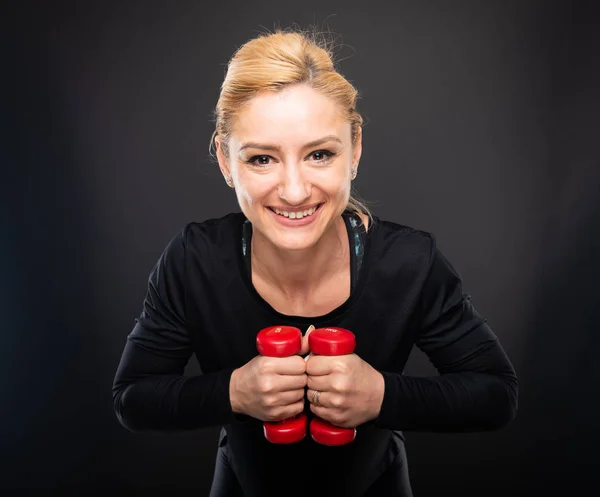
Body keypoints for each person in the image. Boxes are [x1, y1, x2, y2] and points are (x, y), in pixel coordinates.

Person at [112, 28, 518, 497]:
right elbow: (132, 399)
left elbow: (496, 394)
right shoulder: (194, 260)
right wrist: (234, 392)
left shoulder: (410, 263)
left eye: (320, 154)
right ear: (226, 160)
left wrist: (383, 396)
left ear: (355, 150)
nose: (294, 191)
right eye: (262, 158)